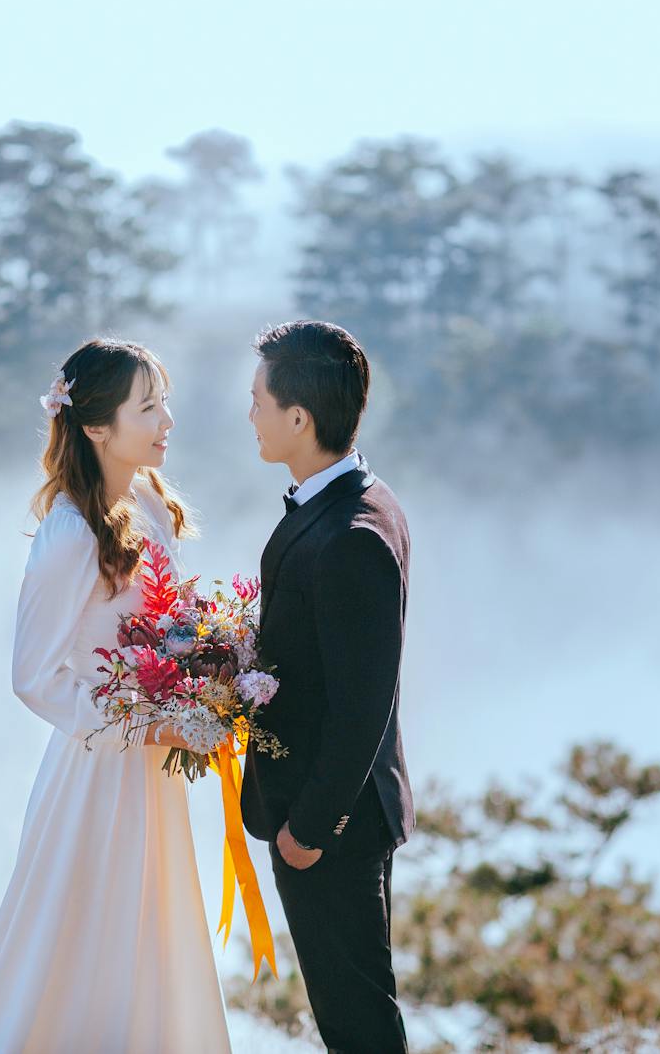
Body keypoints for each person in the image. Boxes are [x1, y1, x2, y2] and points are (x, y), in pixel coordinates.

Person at [0, 337, 233, 1053]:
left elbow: (166, 627)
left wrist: (209, 665)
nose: (167, 419)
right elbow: (34, 674)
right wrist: (143, 726)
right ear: (97, 425)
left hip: (154, 773)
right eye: (149, 406)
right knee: (81, 937)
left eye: (165, 401)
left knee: (152, 934)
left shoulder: (152, 507)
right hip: (97, 770)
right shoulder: (69, 532)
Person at [240, 319, 415, 1054]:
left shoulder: (353, 536)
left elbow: (362, 706)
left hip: (333, 826)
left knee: (358, 1024)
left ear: (299, 417)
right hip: (321, 817)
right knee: (347, 1019)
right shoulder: (345, 501)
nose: (250, 413)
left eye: (258, 400)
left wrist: (308, 832)